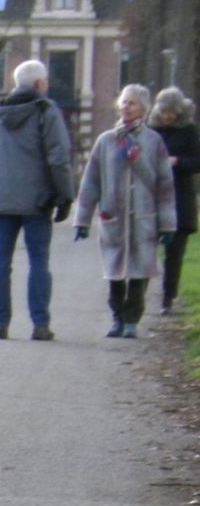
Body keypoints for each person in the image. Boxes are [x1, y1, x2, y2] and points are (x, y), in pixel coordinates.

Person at [0, 59, 76, 340]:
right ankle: (40, 324)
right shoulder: (46, 111)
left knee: (1, 260)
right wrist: (65, 195)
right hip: (37, 200)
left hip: (2, 199)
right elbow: (59, 157)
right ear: (40, 84)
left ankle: (0, 323)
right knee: (39, 260)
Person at [73, 84, 177, 338]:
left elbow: (164, 185)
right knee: (115, 272)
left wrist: (167, 224)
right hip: (114, 217)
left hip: (143, 218)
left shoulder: (154, 142)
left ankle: (132, 318)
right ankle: (117, 317)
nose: (126, 107)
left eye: (132, 103)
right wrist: (82, 219)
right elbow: (91, 182)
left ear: (143, 107)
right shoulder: (106, 141)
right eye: (123, 102)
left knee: (140, 272)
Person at [151, 87, 199, 314]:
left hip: (180, 197)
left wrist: (178, 161)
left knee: (174, 252)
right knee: (147, 246)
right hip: (154, 196)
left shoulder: (189, 131)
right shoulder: (151, 130)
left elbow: (197, 161)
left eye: (171, 112)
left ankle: (168, 297)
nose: (166, 116)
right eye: (163, 111)